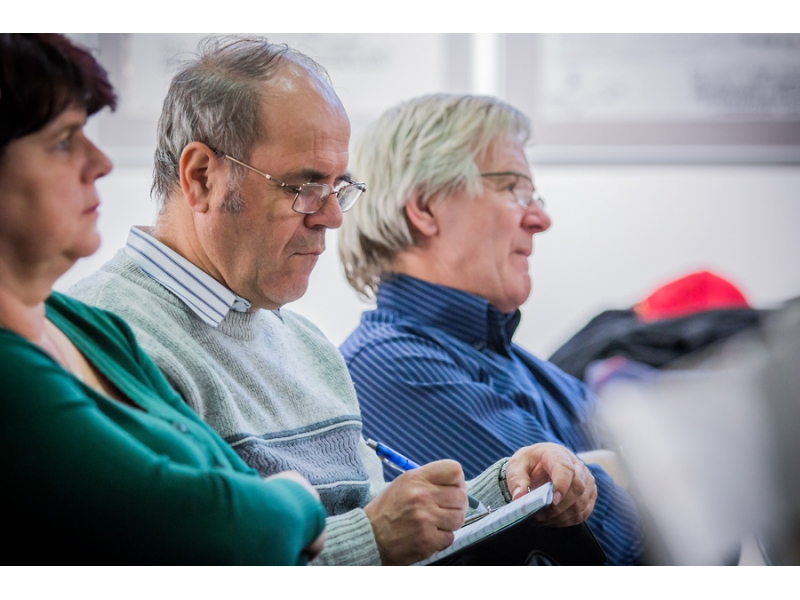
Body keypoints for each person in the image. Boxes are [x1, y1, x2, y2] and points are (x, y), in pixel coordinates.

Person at [69, 35, 598, 566]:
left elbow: (381, 521)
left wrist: (506, 490)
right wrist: (372, 537)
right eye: (304, 187)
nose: (332, 216)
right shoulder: (107, 341)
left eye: (338, 188)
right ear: (202, 177)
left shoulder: (306, 343)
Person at [0, 33, 326, 565]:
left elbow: (236, 494)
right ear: (201, 178)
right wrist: (296, 497)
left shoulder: (88, 327)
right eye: (63, 141)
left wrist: (264, 508)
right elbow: (227, 530)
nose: (101, 162)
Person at [337, 93, 647, 565]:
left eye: (534, 196)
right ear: (426, 207)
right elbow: (639, 542)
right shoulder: (389, 365)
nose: (540, 219)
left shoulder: (530, 369)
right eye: (514, 189)